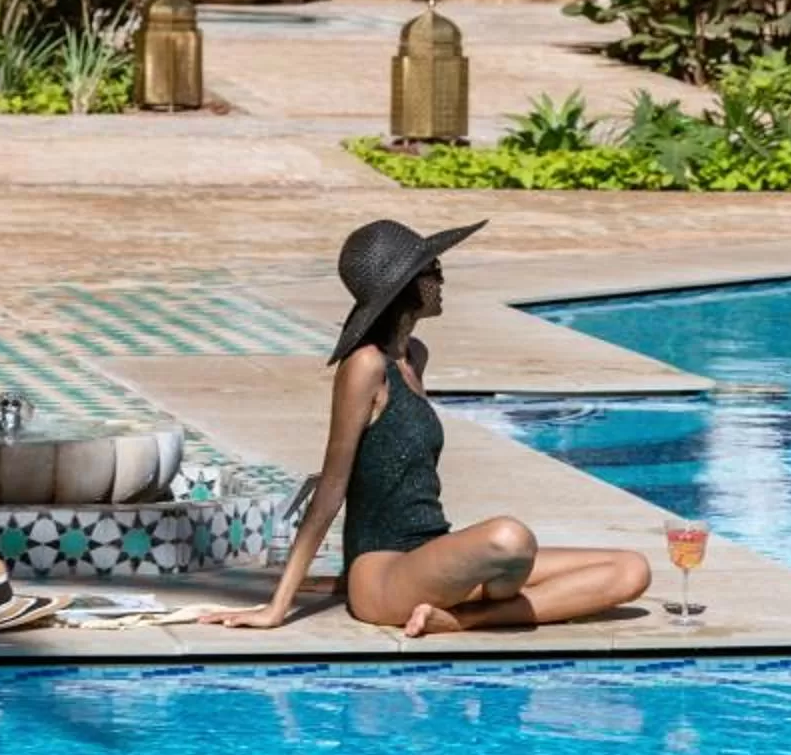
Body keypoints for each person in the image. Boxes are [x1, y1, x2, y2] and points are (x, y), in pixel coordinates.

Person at [201, 216, 653, 638]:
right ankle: (472, 602)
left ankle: (460, 619)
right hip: (382, 572)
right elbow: (332, 487)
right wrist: (276, 606)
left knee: (631, 569)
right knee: (510, 538)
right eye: (433, 270)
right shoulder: (365, 365)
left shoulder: (415, 357)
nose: (441, 281)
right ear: (406, 287)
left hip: (435, 552)